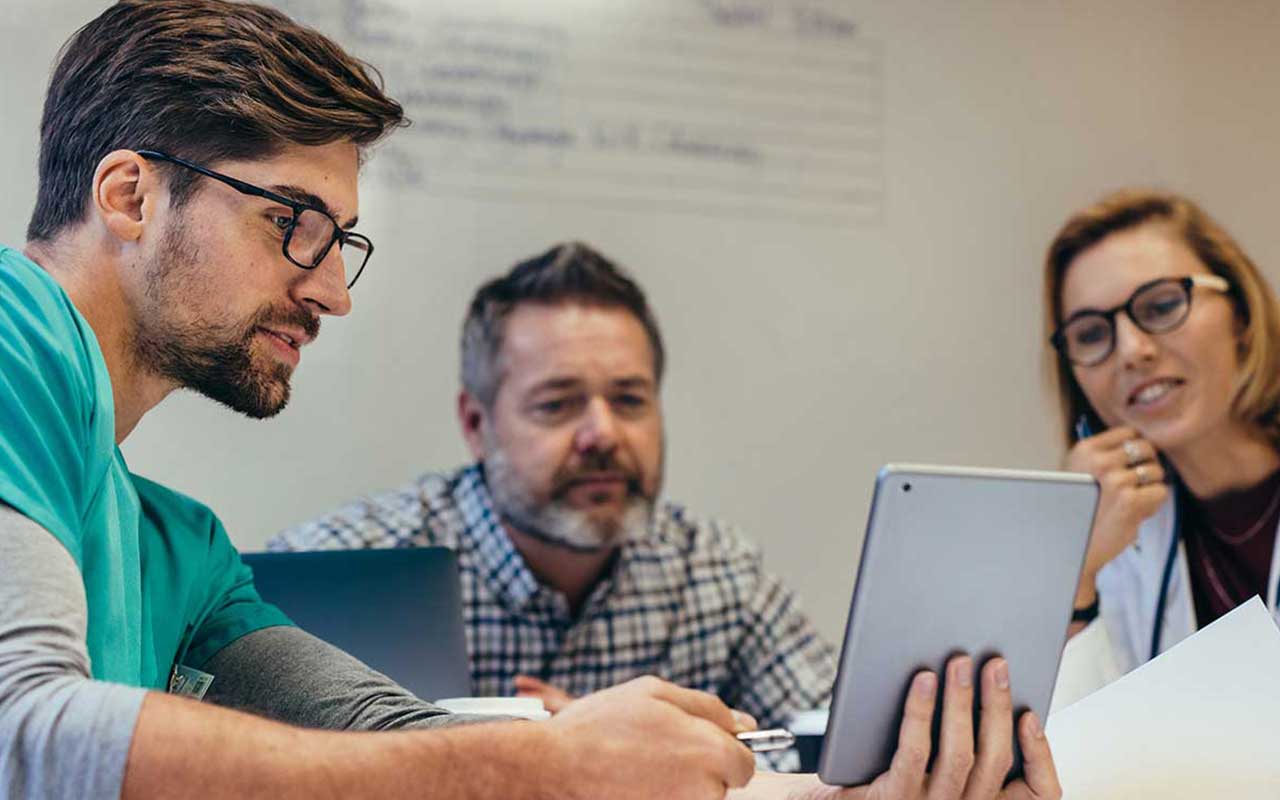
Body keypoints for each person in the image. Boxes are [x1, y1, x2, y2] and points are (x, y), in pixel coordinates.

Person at [0, 2, 1060, 798]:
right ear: (130, 193)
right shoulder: (14, 325)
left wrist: (601, 747)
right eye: (294, 220)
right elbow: (25, 732)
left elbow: (390, 734)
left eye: (340, 241)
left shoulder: (178, 547)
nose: (329, 287)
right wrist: (544, 759)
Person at [271, 242, 837, 771]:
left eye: (629, 400)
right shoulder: (336, 569)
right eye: (558, 404)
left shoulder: (719, 572)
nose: (603, 434)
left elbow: (840, 753)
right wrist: (548, 758)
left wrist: (654, 754)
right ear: (476, 424)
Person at [1043, 188, 1280, 706]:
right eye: (1090, 334)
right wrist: (1074, 568)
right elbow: (1075, 761)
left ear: (1239, 315)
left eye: (1162, 305)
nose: (1131, 351)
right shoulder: (1111, 532)